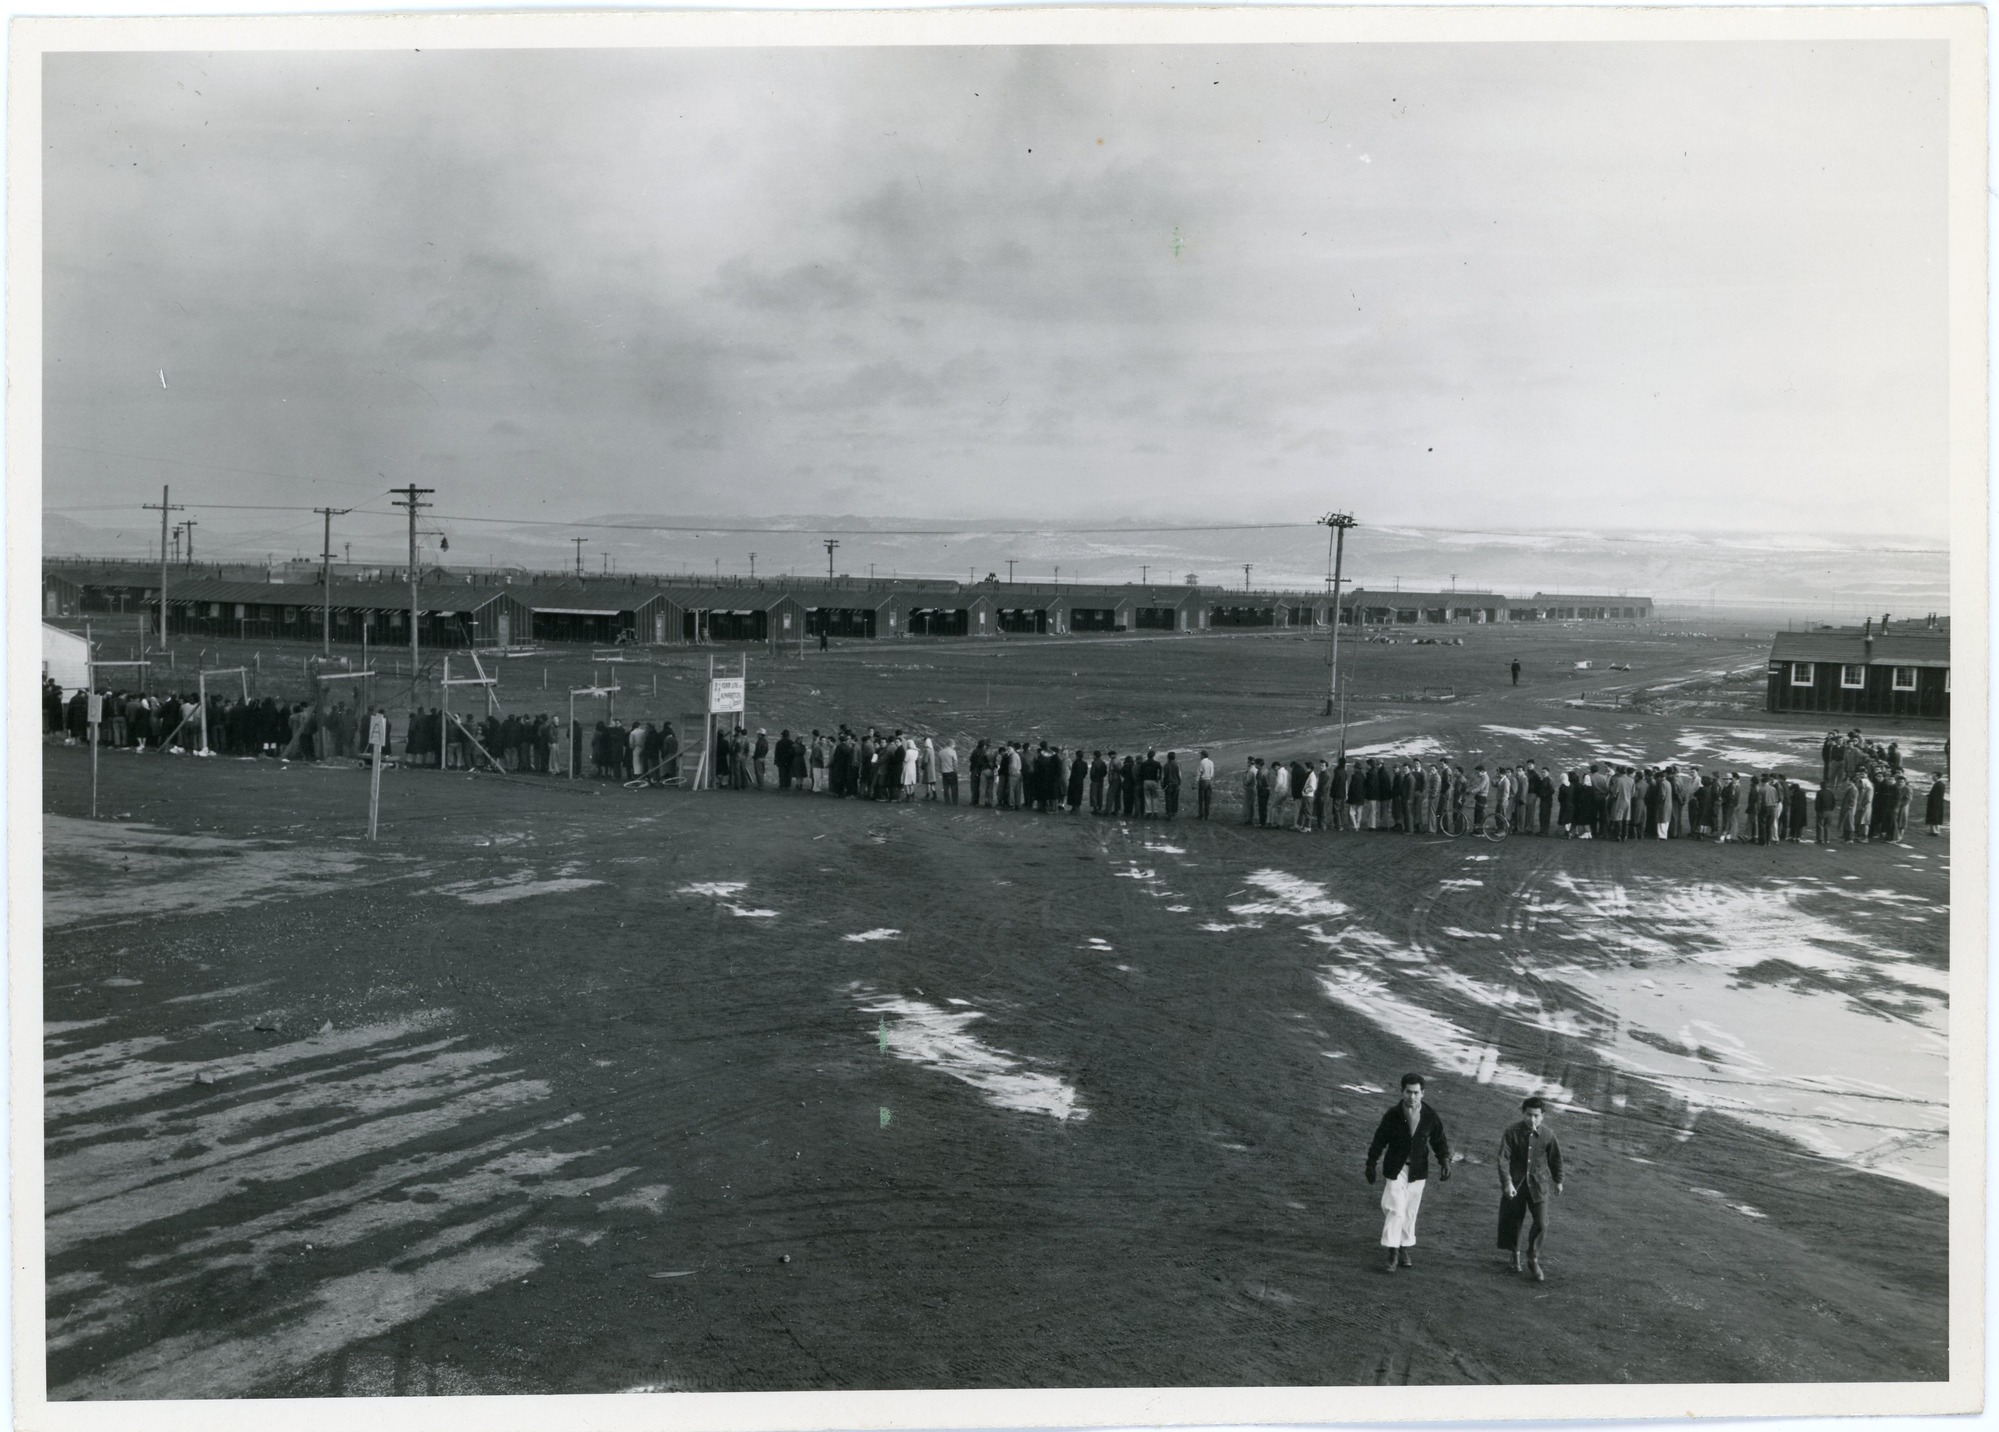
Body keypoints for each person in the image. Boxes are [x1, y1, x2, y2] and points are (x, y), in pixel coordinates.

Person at [1366, 1074, 1452, 1273]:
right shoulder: (1393, 1115)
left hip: (1418, 1170)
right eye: (1408, 1092)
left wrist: (1445, 1160)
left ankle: (1405, 1247)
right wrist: (1371, 1163)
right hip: (1396, 1168)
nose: (1412, 1097)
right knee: (1395, 1208)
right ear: (1402, 1091)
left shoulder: (1430, 1115)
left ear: (1423, 1093)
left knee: (1410, 1210)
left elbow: (1439, 1140)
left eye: (1416, 1093)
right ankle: (1392, 1252)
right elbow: (1379, 1140)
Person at [1497, 1097, 1564, 1281]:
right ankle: (1514, 1254)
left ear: (1543, 1116)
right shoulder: (1512, 1132)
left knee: (1542, 1222)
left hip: (1539, 1186)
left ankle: (1533, 1257)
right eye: (1528, 1115)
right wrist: (1507, 1182)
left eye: (1536, 1116)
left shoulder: (1548, 1135)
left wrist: (1558, 1181)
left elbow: (1555, 1159)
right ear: (1523, 1113)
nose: (1531, 1120)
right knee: (1513, 1220)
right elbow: (1503, 1158)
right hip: (1516, 1186)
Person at [1196, 750, 1215, 820]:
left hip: (1203, 781)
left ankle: (1201, 814)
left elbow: (1199, 773)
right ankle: (1207, 814)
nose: (1200, 756)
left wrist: (1195, 782)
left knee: (1201, 799)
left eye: (1201, 755)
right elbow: (1212, 773)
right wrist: (1211, 781)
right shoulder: (1211, 762)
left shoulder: (1202, 762)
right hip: (1209, 780)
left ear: (1203, 755)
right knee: (1208, 799)